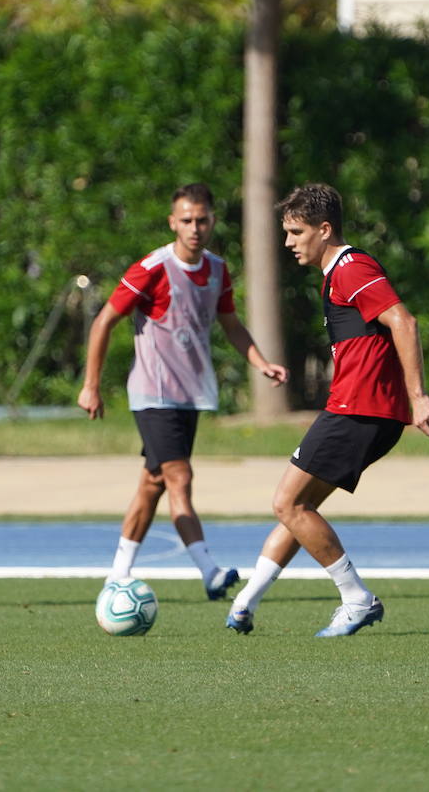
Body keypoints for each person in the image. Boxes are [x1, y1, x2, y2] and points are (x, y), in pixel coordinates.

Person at [225, 183, 429, 638]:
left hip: (359, 409)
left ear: (325, 230)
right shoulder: (335, 274)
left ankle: (356, 598)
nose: (289, 242)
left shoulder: (350, 266)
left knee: (287, 502)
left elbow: (403, 320)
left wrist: (418, 396)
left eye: (296, 231)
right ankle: (246, 601)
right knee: (298, 507)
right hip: (364, 409)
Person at [77, 183, 288, 600]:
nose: (195, 227)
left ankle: (117, 575)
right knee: (179, 477)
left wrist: (260, 362)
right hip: (152, 392)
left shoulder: (216, 269)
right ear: (173, 222)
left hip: (190, 394)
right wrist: (91, 385)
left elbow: (230, 323)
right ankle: (209, 569)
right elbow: (104, 321)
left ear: (212, 221)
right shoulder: (152, 268)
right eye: (186, 220)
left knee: (153, 483)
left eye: (202, 219)